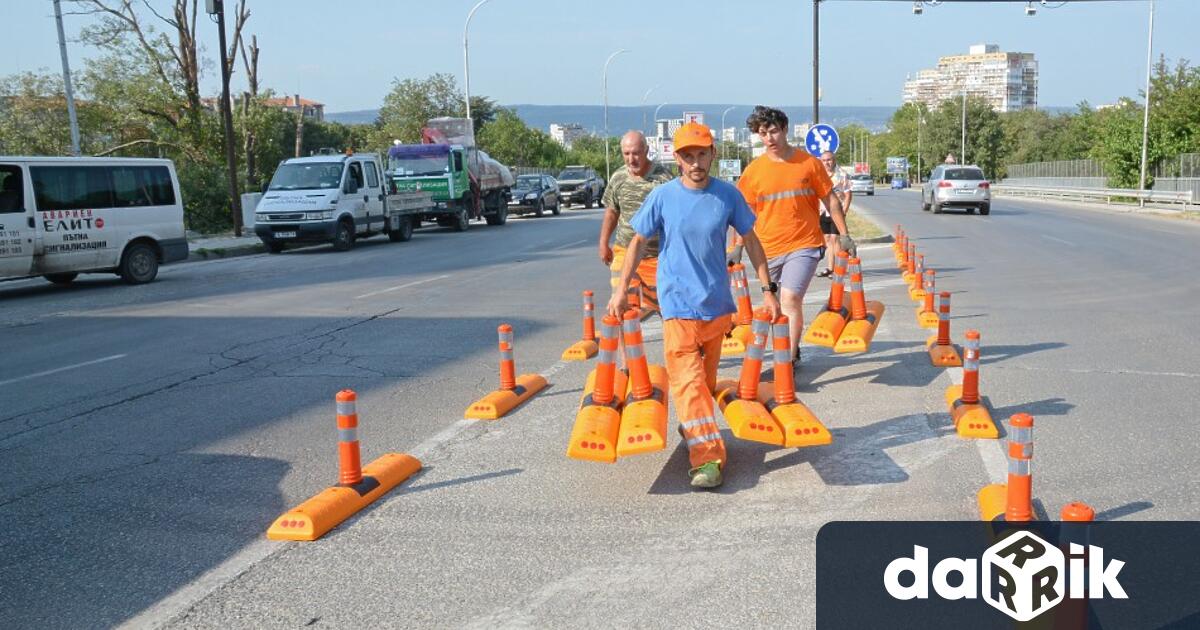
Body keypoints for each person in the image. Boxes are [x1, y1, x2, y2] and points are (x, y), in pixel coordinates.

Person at [608, 122, 780, 490]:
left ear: (713, 155)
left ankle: (694, 425)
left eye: (702, 154)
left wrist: (768, 289)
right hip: (678, 307)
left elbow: (751, 241)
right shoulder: (663, 196)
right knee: (688, 384)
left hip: (717, 307)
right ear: (677, 158)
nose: (696, 162)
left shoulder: (727, 196)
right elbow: (638, 242)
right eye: (688, 156)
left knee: (705, 384)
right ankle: (708, 461)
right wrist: (621, 288)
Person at [736, 106, 854, 367]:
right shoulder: (753, 172)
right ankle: (791, 347)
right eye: (763, 133)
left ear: (785, 130)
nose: (770, 138)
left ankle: (785, 361)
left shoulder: (808, 163)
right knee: (773, 305)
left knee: (790, 299)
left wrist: (844, 235)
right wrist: (738, 247)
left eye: (774, 131)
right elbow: (744, 216)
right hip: (767, 249)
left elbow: (831, 200)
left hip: (805, 244)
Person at [599, 131, 674, 315]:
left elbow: (676, 217)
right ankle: (627, 343)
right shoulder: (618, 178)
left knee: (666, 309)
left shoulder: (663, 179)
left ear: (647, 151)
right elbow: (611, 211)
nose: (631, 159)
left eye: (636, 153)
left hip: (655, 256)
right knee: (621, 308)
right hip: (624, 251)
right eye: (626, 154)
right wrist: (603, 243)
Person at [817, 150, 852, 277]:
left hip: (837, 210)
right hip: (822, 210)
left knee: (835, 239)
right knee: (827, 239)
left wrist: (844, 211)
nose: (827, 163)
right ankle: (829, 268)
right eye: (824, 160)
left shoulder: (842, 175)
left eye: (829, 160)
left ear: (834, 160)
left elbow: (848, 195)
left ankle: (838, 268)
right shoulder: (820, 174)